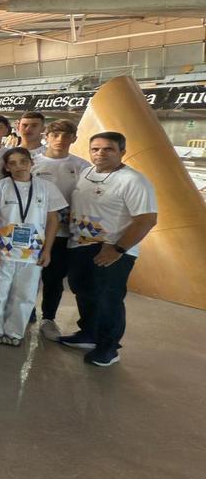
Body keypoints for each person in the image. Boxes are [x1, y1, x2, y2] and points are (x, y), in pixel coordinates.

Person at [61, 132, 158, 367]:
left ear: (122, 152)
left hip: (110, 248)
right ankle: (89, 333)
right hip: (80, 244)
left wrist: (118, 248)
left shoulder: (133, 180)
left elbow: (146, 219)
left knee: (107, 297)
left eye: (108, 149)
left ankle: (109, 347)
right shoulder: (86, 173)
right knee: (83, 290)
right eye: (95, 149)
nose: (100, 153)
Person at [0, 147, 66, 346]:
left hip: (33, 252)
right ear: (7, 167)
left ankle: (15, 331)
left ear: (31, 163)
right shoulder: (1, 187)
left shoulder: (47, 188)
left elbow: (53, 220)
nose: (19, 166)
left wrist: (47, 250)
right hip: (2, 249)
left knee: (25, 295)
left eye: (23, 161)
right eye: (12, 163)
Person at [30, 120, 91, 341]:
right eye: (55, 135)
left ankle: (48, 318)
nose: (60, 140)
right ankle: (26, 310)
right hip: (33, 230)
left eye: (66, 136)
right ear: (46, 136)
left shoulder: (82, 166)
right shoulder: (32, 162)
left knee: (54, 278)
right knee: (28, 275)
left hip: (63, 233)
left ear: (74, 138)